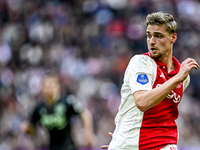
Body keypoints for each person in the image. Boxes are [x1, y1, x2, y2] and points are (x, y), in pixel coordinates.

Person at [101, 11, 199, 150]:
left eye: (158, 36)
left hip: (164, 144)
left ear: (173, 37)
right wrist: (121, 140)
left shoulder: (183, 77)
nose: (152, 41)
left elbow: (162, 113)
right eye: (149, 35)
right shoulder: (141, 62)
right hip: (131, 145)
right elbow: (142, 102)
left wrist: (178, 78)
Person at [21, 72, 95, 150]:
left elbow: (85, 114)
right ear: (42, 88)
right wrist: (27, 128)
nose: (49, 88)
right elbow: (32, 130)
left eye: (52, 85)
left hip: (68, 147)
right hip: (52, 146)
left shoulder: (67, 102)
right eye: (47, 86)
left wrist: (88, 134)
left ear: (57, 87)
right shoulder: (39, 108)